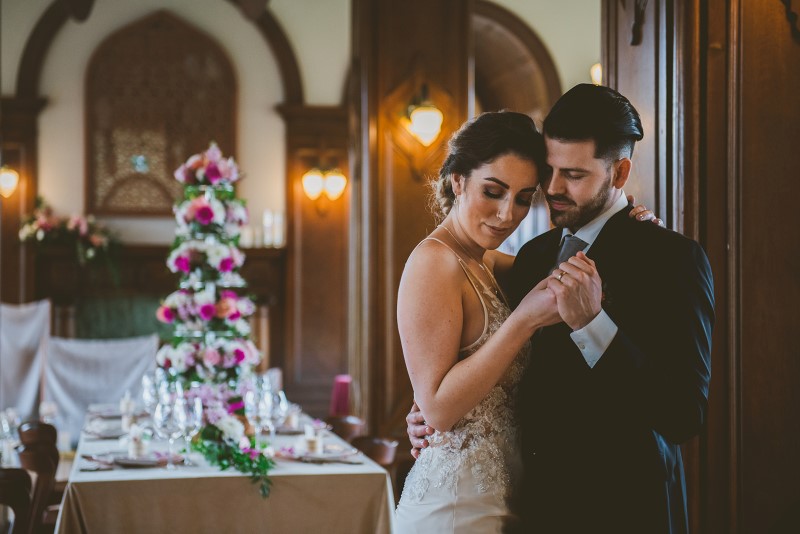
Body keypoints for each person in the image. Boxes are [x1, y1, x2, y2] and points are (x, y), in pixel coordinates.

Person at [407, 84, 715, 534]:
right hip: (534, 508)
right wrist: (426, 409)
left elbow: (684, 414)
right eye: (548, 170)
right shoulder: (532, 255)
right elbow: (469, 348)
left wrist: (594, 324)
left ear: (619, 173)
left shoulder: (671, 259)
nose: (552, 188)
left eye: (573, 174)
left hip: (627, 512)